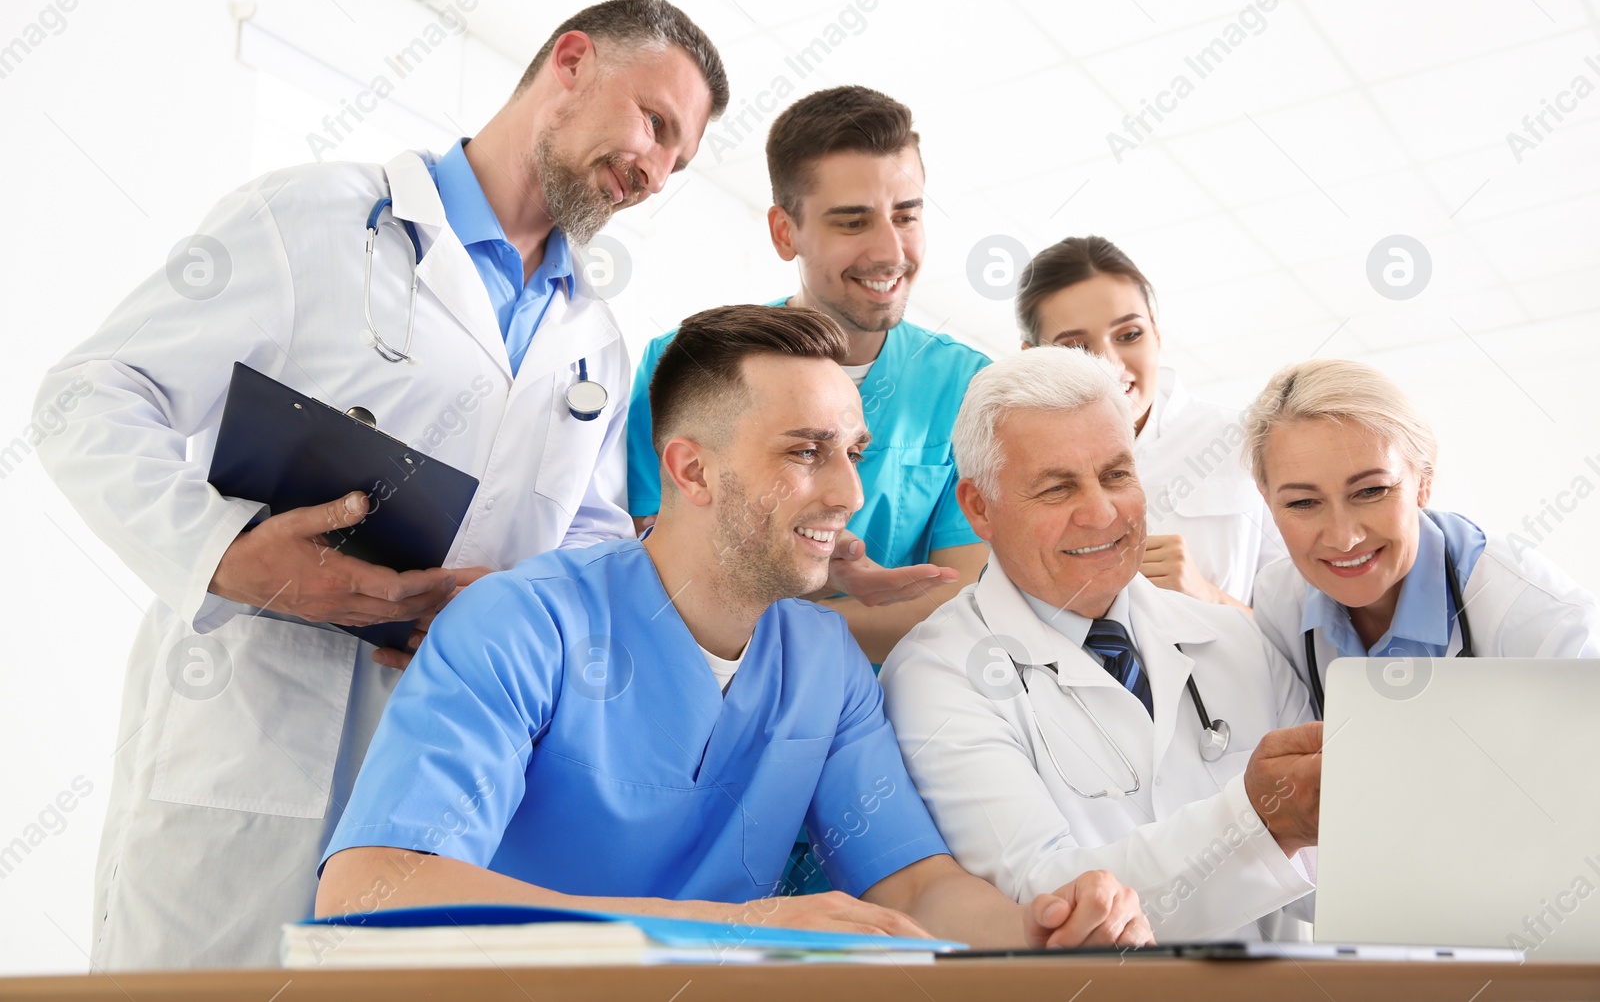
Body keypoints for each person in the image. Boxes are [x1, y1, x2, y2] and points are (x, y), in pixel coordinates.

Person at [32, 0, 727, 969]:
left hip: (439, 781)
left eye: (679, 160)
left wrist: (523, 610)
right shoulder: (308, 218)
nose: (655, 169)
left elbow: (587, 541)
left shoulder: (594, 343)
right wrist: (226, 555)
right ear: (570, 62)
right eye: (655, 122)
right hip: (251, 740)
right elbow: (88, 398)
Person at [316, 306, 1152, 950]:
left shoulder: (822, 665)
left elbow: (915, 887)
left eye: (852, 452)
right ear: (691, 469)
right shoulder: (522, 624)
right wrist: (739, 928)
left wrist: (1041, 923)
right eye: (806, 452)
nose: (848, 495)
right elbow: (370, 884)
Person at [879, 348, 1323, 941]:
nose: (1100, 511)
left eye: (1116, 475)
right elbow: (1047, 900)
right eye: (1057, 488)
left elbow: (1339, 867)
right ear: (979, 508)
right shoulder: (935, 672)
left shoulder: (1238, 639)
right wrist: (1258, 822)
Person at [625, 86, 991, 664]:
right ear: (784, 232)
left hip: (884, 713)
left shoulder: (972, 390)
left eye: (906, 215)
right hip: (693, 682)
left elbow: (955, 603)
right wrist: (834, 600)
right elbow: (666, 566)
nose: (889, 250)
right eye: (853, 222)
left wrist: (750, 615)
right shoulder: (682, 364)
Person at [1245, 358, 1600, 715]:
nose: (1344, 538)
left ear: (1424, 482)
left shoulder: (1541, 623)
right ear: (1267, 500)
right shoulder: (1278, 603)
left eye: (1371, 491)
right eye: (1303, 502)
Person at [1016, 236, 1283, 609]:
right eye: (1075, 347)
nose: (1110, 364)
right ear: (1033, 360)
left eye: (1129, 335)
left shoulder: (1245, 441)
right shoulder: (1016, 467)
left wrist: (1207, 596)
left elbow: (1300, 641)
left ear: (1156, 335)